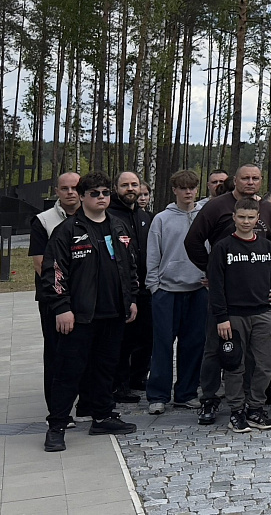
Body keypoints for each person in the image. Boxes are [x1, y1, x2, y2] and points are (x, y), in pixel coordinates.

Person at [39, 172, 139, 452]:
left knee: (106, 369)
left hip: (113, 313)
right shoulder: (68, 231)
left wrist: (129, 299)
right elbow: (54, 272)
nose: (101, 198)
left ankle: (103, 415)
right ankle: (57, 425)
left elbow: (130, 266)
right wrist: (61, 308)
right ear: (82, 197)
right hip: (80, 316)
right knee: (69, 371)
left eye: (105, 193)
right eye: (94, 193)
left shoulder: (119, 227)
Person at [183, 164, 271, 425]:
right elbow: (193, 241)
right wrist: (211, 271)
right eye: (245, 178)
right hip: (226, 300)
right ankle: (209, 399)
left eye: (255, 178)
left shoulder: (269, 210)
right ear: (235, 180)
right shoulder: (216, 207)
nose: (250, 182)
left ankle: (251, 403)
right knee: (216, 351)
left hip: (258, 302)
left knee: (256, 357)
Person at [207, 197, 271, 433]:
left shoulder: (267, 247)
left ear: (258, 219)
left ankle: (255, 408)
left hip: (263, 314)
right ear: (234, 217)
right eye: (242, 217)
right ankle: (237, 410)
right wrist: (221, 317)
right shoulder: (223, 247)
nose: (246, 221)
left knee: (266, 363)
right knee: (234, 365)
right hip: (233, 316)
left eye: (251, 217)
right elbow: (216, 286)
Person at [145, 169, 206, 415]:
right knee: (162, 345)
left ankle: (186, 393)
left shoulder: (205, 216)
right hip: (167, 290)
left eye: (192, 188)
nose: (188, 192)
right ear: (175, 191)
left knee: (193, 344)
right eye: (183, 188)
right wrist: (154, 286)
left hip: (198, 288)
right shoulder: (161, 219)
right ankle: (158, 395)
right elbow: (153, 254)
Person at [29, 171, 80, 406]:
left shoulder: (96, 216)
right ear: (57, 191)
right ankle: (57, 407)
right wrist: (64, 294)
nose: (70, 192)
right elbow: (41, 263)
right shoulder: (43, 220)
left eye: (75, 188)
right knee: (56, 353)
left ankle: (86, 402)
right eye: (65, 188)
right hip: (54, 299)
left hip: (86, 298)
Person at [109, 171, 154, 402]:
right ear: (116, 188)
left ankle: (138, 378)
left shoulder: (144, 216)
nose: (130, 189)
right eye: (125, 185)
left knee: (146, 337)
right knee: (123, 341)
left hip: (146, 287)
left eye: (134, 185)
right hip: (121, 290)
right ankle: (119, 385)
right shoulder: (110, 215)